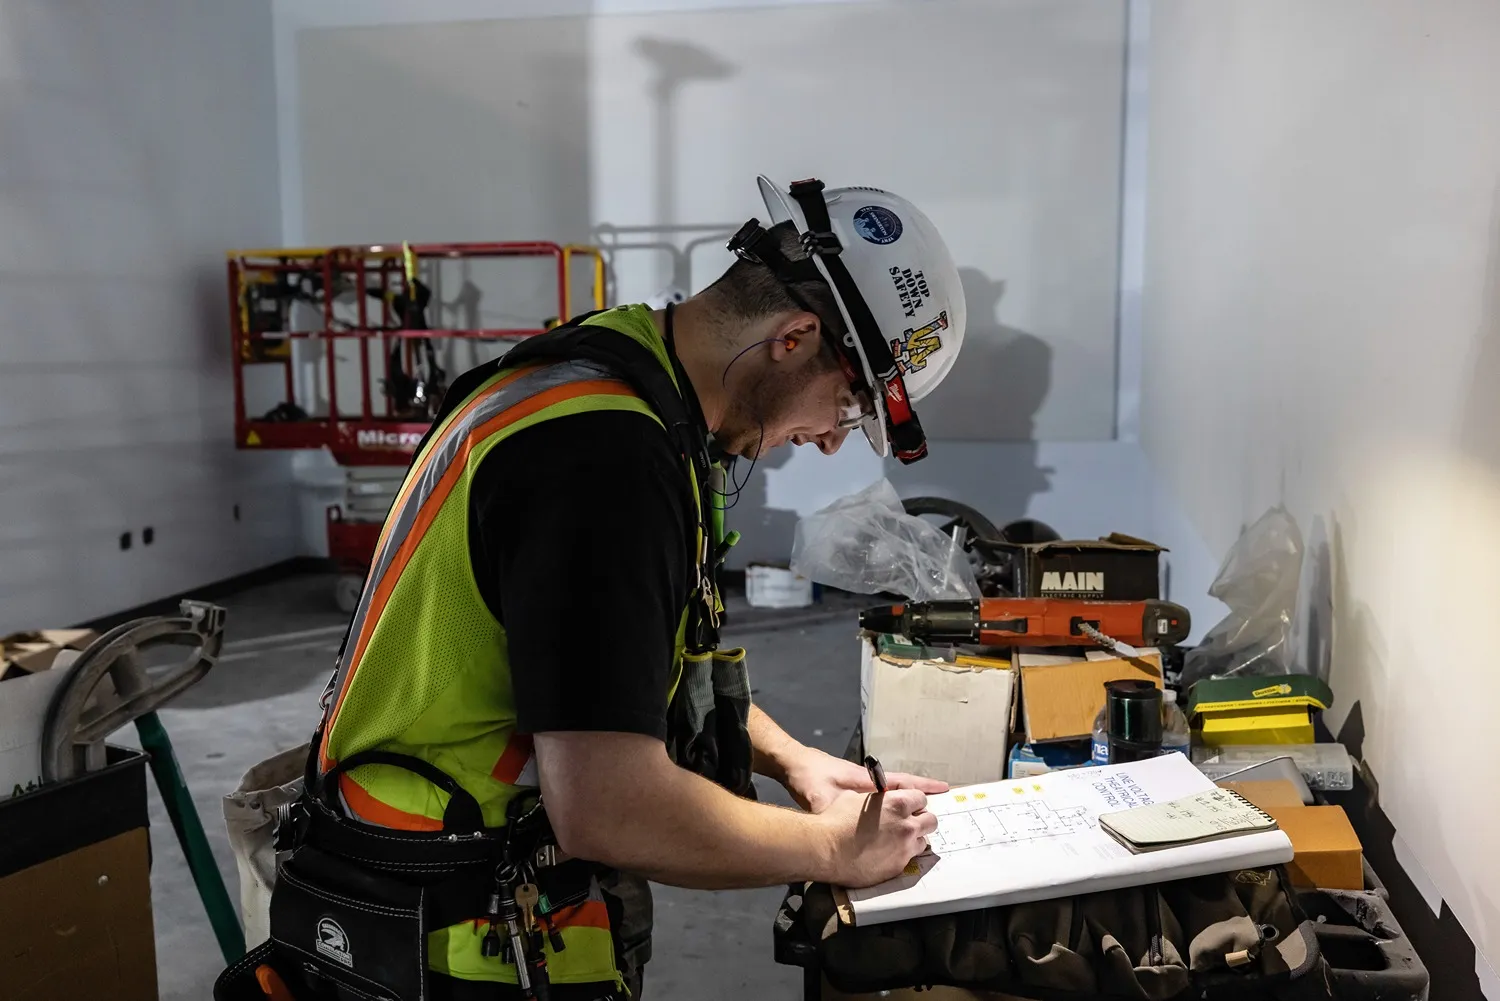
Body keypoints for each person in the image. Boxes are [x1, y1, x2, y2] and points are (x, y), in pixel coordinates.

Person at [269, 177, 968, 1001]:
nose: (826, 442)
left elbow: (625, 665)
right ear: (795, 336)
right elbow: (610, 808)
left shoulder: (621, 369)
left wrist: (795, 760)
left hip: (427, 878)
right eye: (849, 406)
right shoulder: (604, 458)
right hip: (444, 928)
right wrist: (837, 849)